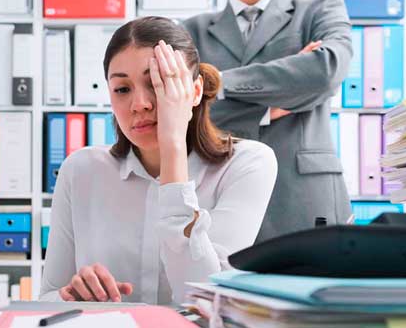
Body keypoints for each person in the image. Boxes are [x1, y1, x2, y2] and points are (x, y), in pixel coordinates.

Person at [38, 17, 278, 305]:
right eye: (122, 89)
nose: (139, 103)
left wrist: (173, 145)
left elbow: (206, 300)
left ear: (195, 91)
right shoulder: (81, 170)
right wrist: (73, 298)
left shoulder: (248, 164)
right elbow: (47, 299)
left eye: (156, 83)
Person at [183, 0, 354, 240]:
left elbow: (324, 72)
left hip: (303, 196)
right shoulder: (190, 31)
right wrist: (268, 108)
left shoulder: (320, 9)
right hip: (217, 191)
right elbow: (182, 110)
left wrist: (216, 82)